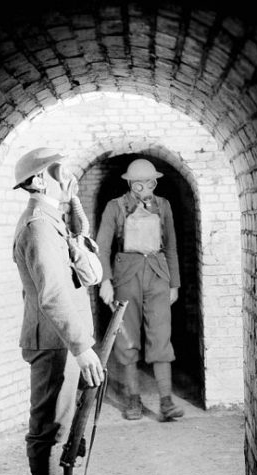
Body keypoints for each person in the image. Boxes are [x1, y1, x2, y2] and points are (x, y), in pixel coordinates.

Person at [12, 147, 104, 475]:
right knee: (48, 427)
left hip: (61, 338)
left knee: (63, 424)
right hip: (54, 341)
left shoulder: (54, 219)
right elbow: (52, 293)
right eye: (57, 172)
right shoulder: (38, 224)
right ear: (36, 181)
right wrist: (81, 347)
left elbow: (91, 274)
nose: (67, 178)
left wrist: (75, 214)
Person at [95, 158, 184, 422]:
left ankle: (166, 401)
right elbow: (103, 246)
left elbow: (171, 247)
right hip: (126, 275)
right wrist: (106, 281)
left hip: (158, 274)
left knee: (161, 336)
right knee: (127, 338)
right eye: (138, 183)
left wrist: (174, 283)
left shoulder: (163, 206)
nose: (144, 187)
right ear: (130, 183)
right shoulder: (115, 207)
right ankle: (133, 399)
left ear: (155, 182)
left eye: (149, 182)